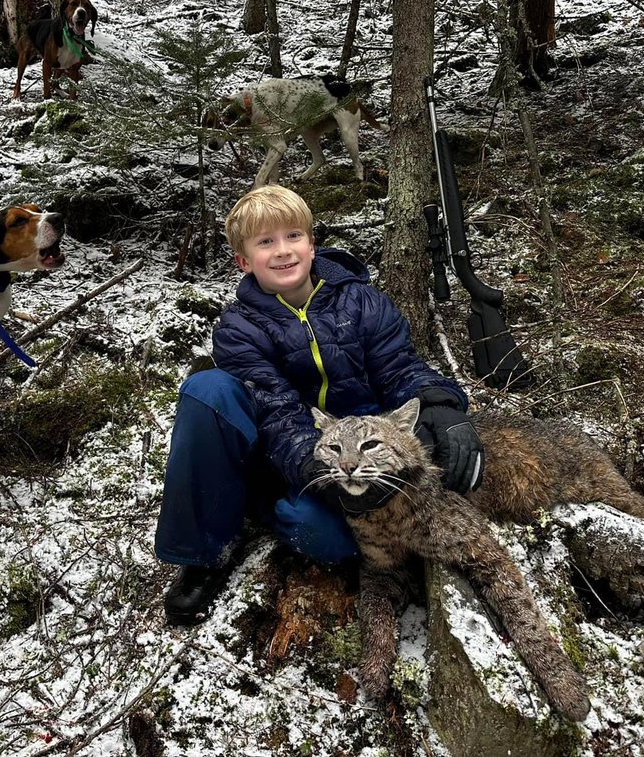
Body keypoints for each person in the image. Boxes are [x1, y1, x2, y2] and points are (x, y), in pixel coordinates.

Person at [154, 185, 484, 625]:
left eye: (293, 236)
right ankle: (205, 551)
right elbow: (275, 412)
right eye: (265, 242)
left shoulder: (362, 301)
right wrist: (318, 473)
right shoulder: (239, 327)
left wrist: (440, 404)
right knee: (208, 389)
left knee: (333, 543)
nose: (283, 251)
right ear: (244, 261)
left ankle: (283, 510)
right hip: (289, 455)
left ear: (312, 244)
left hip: (356, 450)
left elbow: (399, 366)